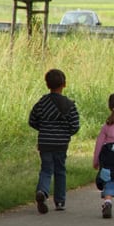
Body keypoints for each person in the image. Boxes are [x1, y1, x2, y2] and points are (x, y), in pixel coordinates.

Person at [28, 69, 80, 214]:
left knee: (46, 169)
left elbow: (32, 120)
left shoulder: (42, 103)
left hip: (45, 142)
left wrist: (43, 129)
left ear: (47, 85)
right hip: (61, 143)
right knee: (60, 171)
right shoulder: (69, 105)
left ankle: (42, 191)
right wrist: (66, 133)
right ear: (64, 84)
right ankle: (60, 201)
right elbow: (75, 125)